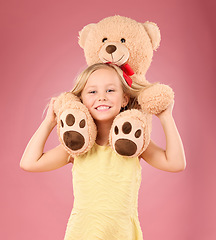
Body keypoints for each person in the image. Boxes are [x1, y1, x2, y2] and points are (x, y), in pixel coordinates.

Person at [20, 63, 186, 239]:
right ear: (81, 100)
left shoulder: (135, 143)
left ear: (125, 99)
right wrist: (49, 122)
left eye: (110, 90)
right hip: (83, 233)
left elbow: (175, 163)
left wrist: (166, 117)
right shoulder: (76, 147)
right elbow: (29, 163)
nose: (101, 97)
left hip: (121, 234)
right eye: (92, 92)